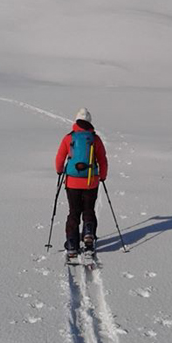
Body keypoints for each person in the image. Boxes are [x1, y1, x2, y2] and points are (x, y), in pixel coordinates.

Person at [55, 107, 108, 256]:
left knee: (74, 212)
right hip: (91, 181)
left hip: (72, 182)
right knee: (89, 210)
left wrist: (59, 171)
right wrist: (102, 176)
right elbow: (102, 160)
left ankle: (72, 243)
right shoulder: (95, 139)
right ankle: (89, 236)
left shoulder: (68, 138)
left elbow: (60, 158)